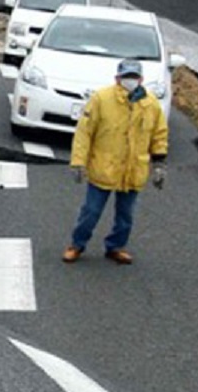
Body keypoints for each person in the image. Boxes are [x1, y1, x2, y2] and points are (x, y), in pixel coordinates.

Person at [63, 59, 169, 265]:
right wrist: (78, 162)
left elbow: (159, 135)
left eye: (134, 77)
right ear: (117, 78)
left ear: (141, 79)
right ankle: (76, 244)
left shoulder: (151, 104)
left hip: (133, 169)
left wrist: (159, 163)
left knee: (125, 215)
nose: (130, 81)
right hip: (104, 167)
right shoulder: (101, 99)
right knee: (91, 211)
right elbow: (85, 132)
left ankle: (116, 247)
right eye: (126, 77)